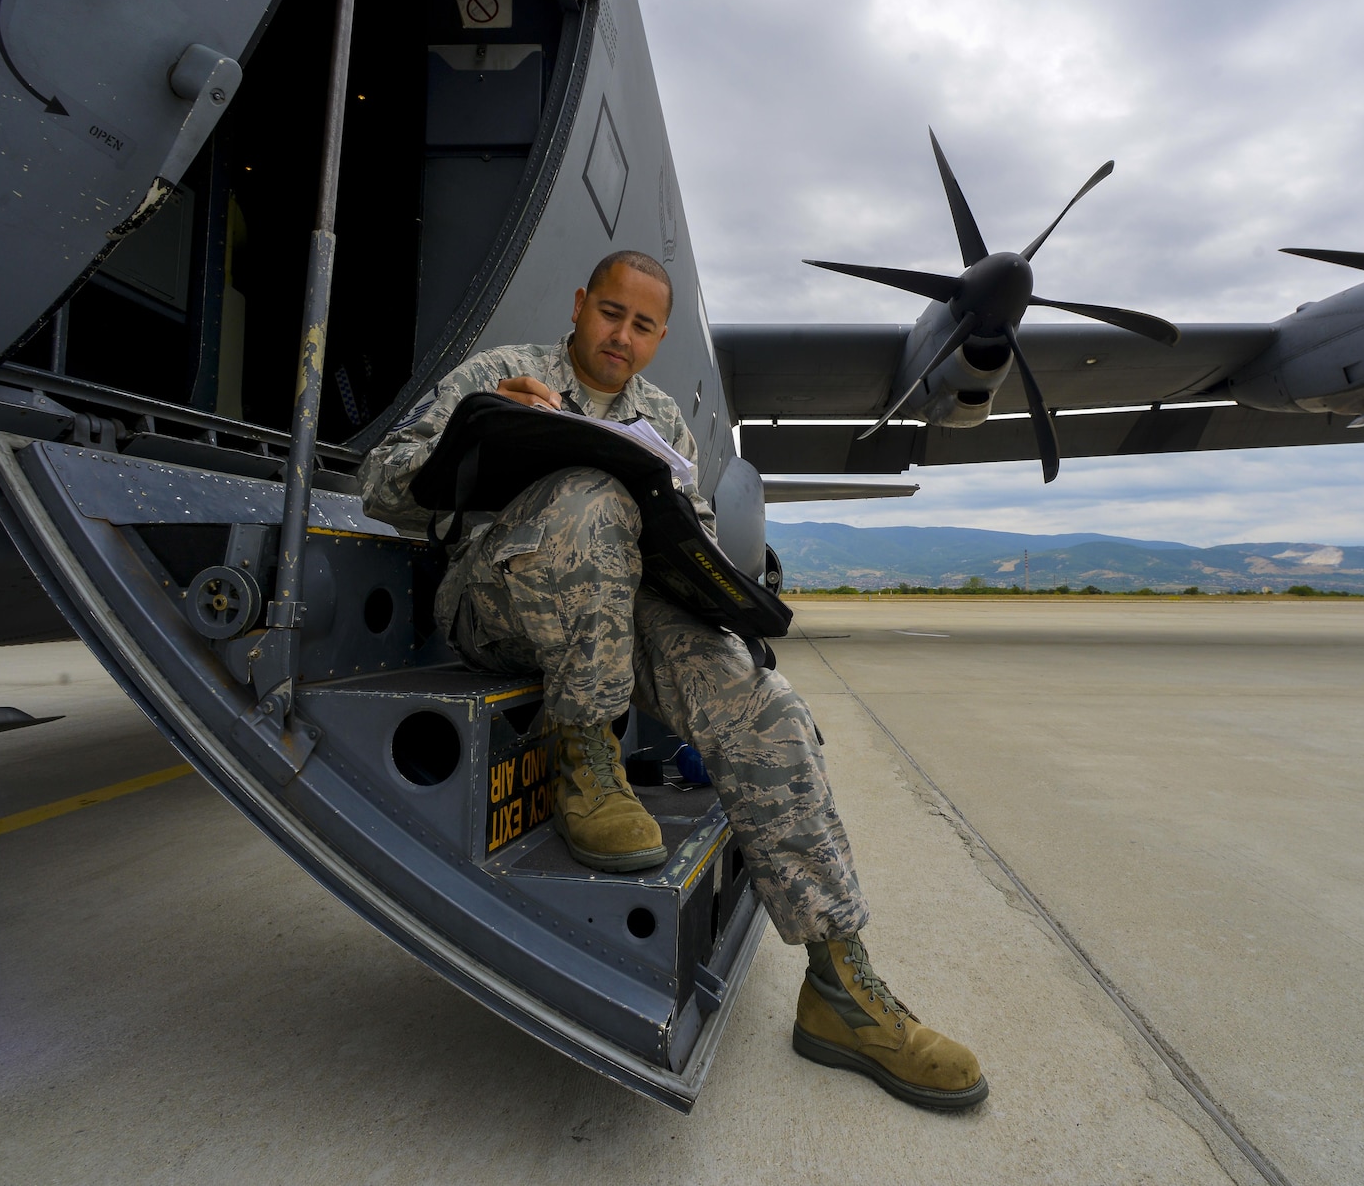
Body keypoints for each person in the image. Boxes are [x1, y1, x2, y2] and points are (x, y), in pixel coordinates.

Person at [359, 250, 985, 1110]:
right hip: (497, 603)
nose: (622, 335)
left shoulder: (661, 421)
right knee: (586, 496)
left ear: (658, 336)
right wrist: (481, 421)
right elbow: (381, 483)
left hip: (621, 606)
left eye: (643, 324)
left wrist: (724, 609)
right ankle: (585, 753)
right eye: (610, 313)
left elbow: (677, 543)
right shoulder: (506, 372)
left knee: (766, 708)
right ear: (581, 306)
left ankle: (841, 984)